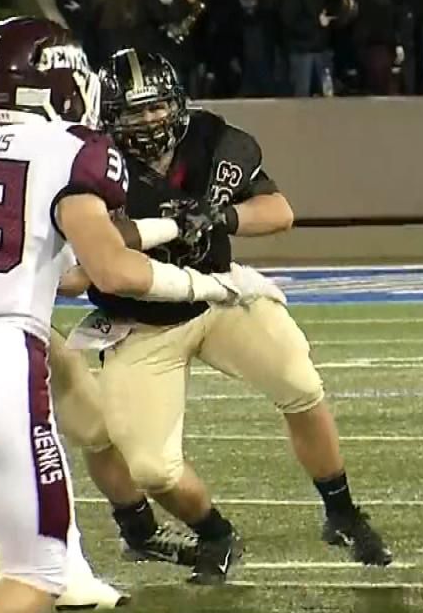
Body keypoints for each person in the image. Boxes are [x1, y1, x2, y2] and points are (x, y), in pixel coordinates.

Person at [0, 16, 273, 613]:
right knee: (39, 576)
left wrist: (168, 228)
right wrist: (210, 285)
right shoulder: (70, 150)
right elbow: (111, 270)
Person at [83, 49, 392, 585]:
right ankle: (216, 534)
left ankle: (342, 512)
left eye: (157, 107)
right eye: (134, 112)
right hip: (142, 325)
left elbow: (279, 211)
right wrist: (168, 227)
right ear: (110, 117)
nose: (149, 121)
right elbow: (91, 257)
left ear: (177, 104)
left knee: (300, 382)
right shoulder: (89, 164)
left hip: (218, 298)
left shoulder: (209, 141)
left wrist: (222, 215)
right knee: (153, 469)